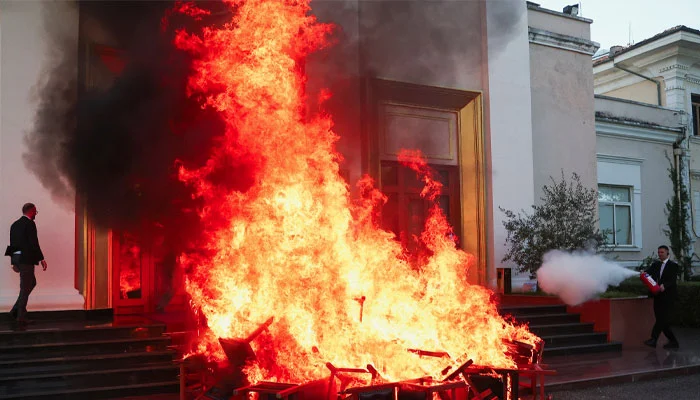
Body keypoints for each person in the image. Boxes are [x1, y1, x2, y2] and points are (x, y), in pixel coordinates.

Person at [8, 203, 47, 325]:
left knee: (30, 283)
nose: (36, 214)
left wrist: (13, 262)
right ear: (31, 211)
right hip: (26, 260)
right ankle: (21, 316)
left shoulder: (14, 225)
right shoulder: (30, 224)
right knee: (25, 288)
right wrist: (42, 259)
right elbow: (34, 243)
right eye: (35, 211)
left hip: (18, 259)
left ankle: (16, 309)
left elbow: (12, 243)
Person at [643, 245, 679, 349]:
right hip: (657, 296)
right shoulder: (655, 264)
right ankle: (673, 342)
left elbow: (672, 280)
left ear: (667, 253)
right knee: (662, 321)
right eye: (658, 252)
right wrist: (643, 273)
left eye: (662, 252)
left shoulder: (673, 265)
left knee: (661, 319)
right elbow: (648, 273)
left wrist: (665, 286)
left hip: (668, 297)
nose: (660, 254)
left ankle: (653, 339)